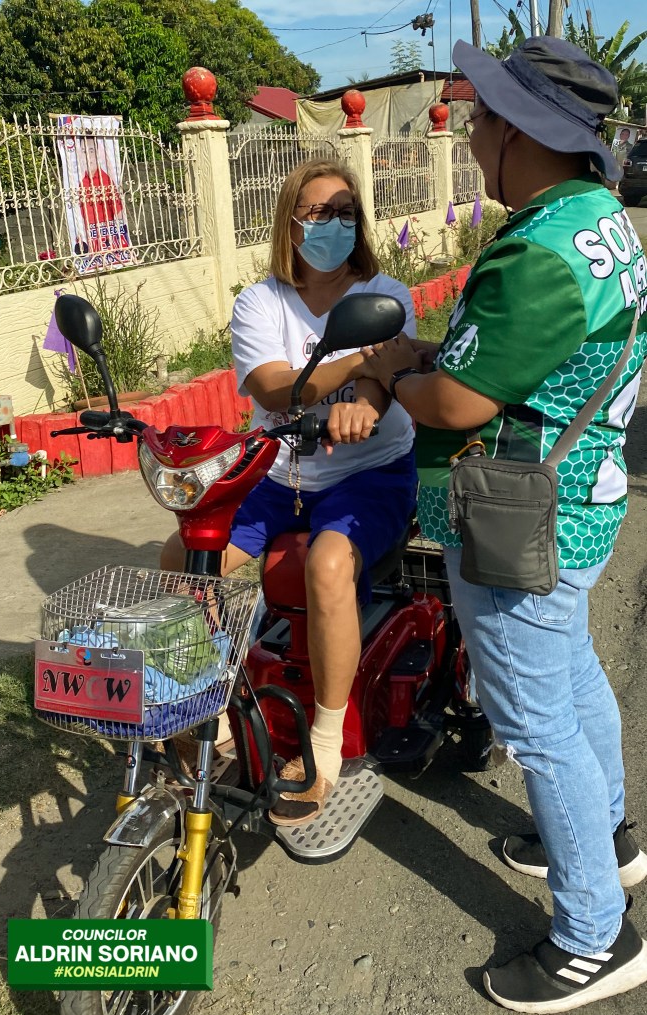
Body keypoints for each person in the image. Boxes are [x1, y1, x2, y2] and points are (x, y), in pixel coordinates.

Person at [363, 36, 647, 1015]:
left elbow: (455, 403)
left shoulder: (537, 253)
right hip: (580, 502)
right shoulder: (598, 222)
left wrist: (393, 372)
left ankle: (595, 936)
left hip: (521, 522)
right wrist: (431, 357)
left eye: (482, 117)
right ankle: (610, 838)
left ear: (524, 132)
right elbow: (513, 360)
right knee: (571, 677)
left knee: (535, 725)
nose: (471, 133)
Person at [163, 158, 417, 826]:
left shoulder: (385, 293)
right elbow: (277, 389)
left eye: (344, 212)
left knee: (327, 564)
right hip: (278, 472)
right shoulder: (260, 302)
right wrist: (363, 359)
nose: (332, 224)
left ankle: (325, 743)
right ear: (291, 222)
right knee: (183, 559)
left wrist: (366, 398)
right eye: (317, 212)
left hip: (370, 471)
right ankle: (212, 705)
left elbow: (382, 385)